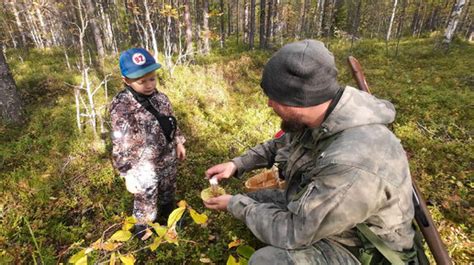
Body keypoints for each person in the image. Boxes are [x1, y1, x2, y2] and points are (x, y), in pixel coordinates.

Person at [204, 40, 416, 264]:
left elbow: (294, 231)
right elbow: (281, 144)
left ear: (296, 102)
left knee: (266, 261)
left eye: (273, 98)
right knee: (255, 200)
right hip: (330, 215)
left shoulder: (352, 162)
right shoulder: (322, 115)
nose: (268, 104)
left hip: (363, 247)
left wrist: (233, 205)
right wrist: (238, 164)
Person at [110, 48, 186, 236]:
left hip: (167, 158)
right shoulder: (122, 106)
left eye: (151, 78)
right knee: (146, 198)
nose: (148, 85)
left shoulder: (161, 99)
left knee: (168, 189)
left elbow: (171, 121)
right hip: (142, 167)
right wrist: (127, 173)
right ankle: (143, 229)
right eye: (141, 81)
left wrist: (178, 142)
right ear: (126, 80)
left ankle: (169, 216)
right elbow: (120, 142)